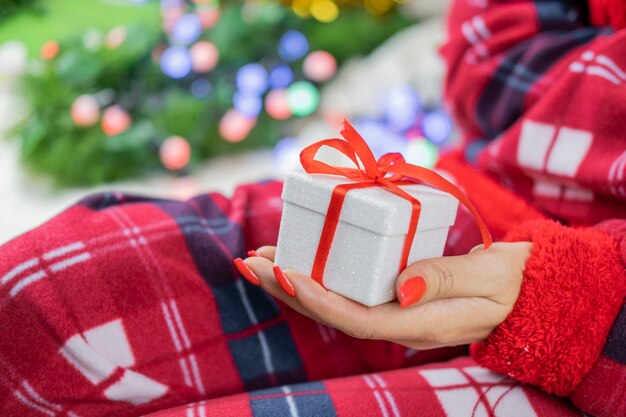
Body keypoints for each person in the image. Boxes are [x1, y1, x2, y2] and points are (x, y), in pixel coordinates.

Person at [0, 0, 624, 416]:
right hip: (489, 196)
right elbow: (487, 53)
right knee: (32, 294)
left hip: (603, 321)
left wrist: (575, 299)